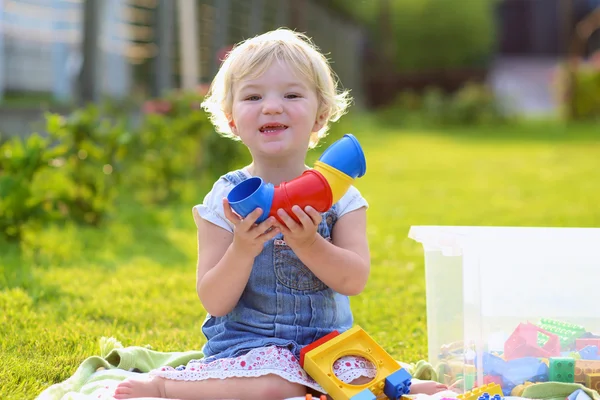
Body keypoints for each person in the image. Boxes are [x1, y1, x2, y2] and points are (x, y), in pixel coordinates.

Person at [114, 28, 450, 400]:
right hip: (248, 348)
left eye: (291, 95)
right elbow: (214, 300)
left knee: (360, 377)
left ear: (320, 116)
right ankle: (166, 384)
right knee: (277, 384)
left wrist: (309, 243)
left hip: (327, 348)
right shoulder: (224, 199)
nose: (271, 106)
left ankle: (387, 381)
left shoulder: (343, 199)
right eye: (253, 96)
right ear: (231, 120)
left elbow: (353, 280)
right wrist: (242, 249)